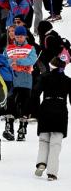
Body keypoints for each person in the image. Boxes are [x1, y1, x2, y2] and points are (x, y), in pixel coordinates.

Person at [35, 52, 71, 181]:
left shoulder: (44, 77)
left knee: (44, 139)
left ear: (51, 66)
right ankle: (52, 172)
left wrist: (31, 110)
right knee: (56, 142)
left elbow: (35, 93)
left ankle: (41, 162)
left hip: (46, 108)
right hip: (61, 109)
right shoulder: (68, 81)